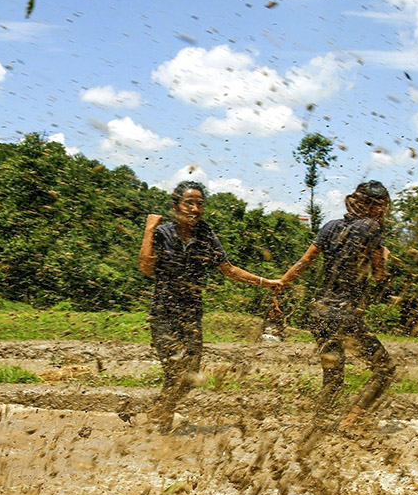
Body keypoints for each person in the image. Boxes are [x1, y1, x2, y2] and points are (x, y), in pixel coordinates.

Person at [138, 180, 280, 432]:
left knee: (190, 375)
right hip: (164, 313)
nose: (194, 209)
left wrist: (264, 282)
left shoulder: (205, 235)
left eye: (199, 204)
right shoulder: (162, 233)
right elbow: (146, 268)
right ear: (175, 206)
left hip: (191, 314)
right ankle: (160, 427)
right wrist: (149, 229)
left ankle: (159, 415)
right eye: (188, 203)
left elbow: (228, 269)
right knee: (175, 367)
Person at [278, 181, 396, 424]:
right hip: (345, 315)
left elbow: (304, 262)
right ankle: (351, 421)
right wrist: (384, 257)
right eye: (383, 207)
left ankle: (314, 428)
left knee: (333, 380)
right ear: (374, 207)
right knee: (384, 369)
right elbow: (379, 275)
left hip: (320, 313)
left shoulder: (330, 227)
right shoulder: (372, 228)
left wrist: (280, 284)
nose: (384, 213)